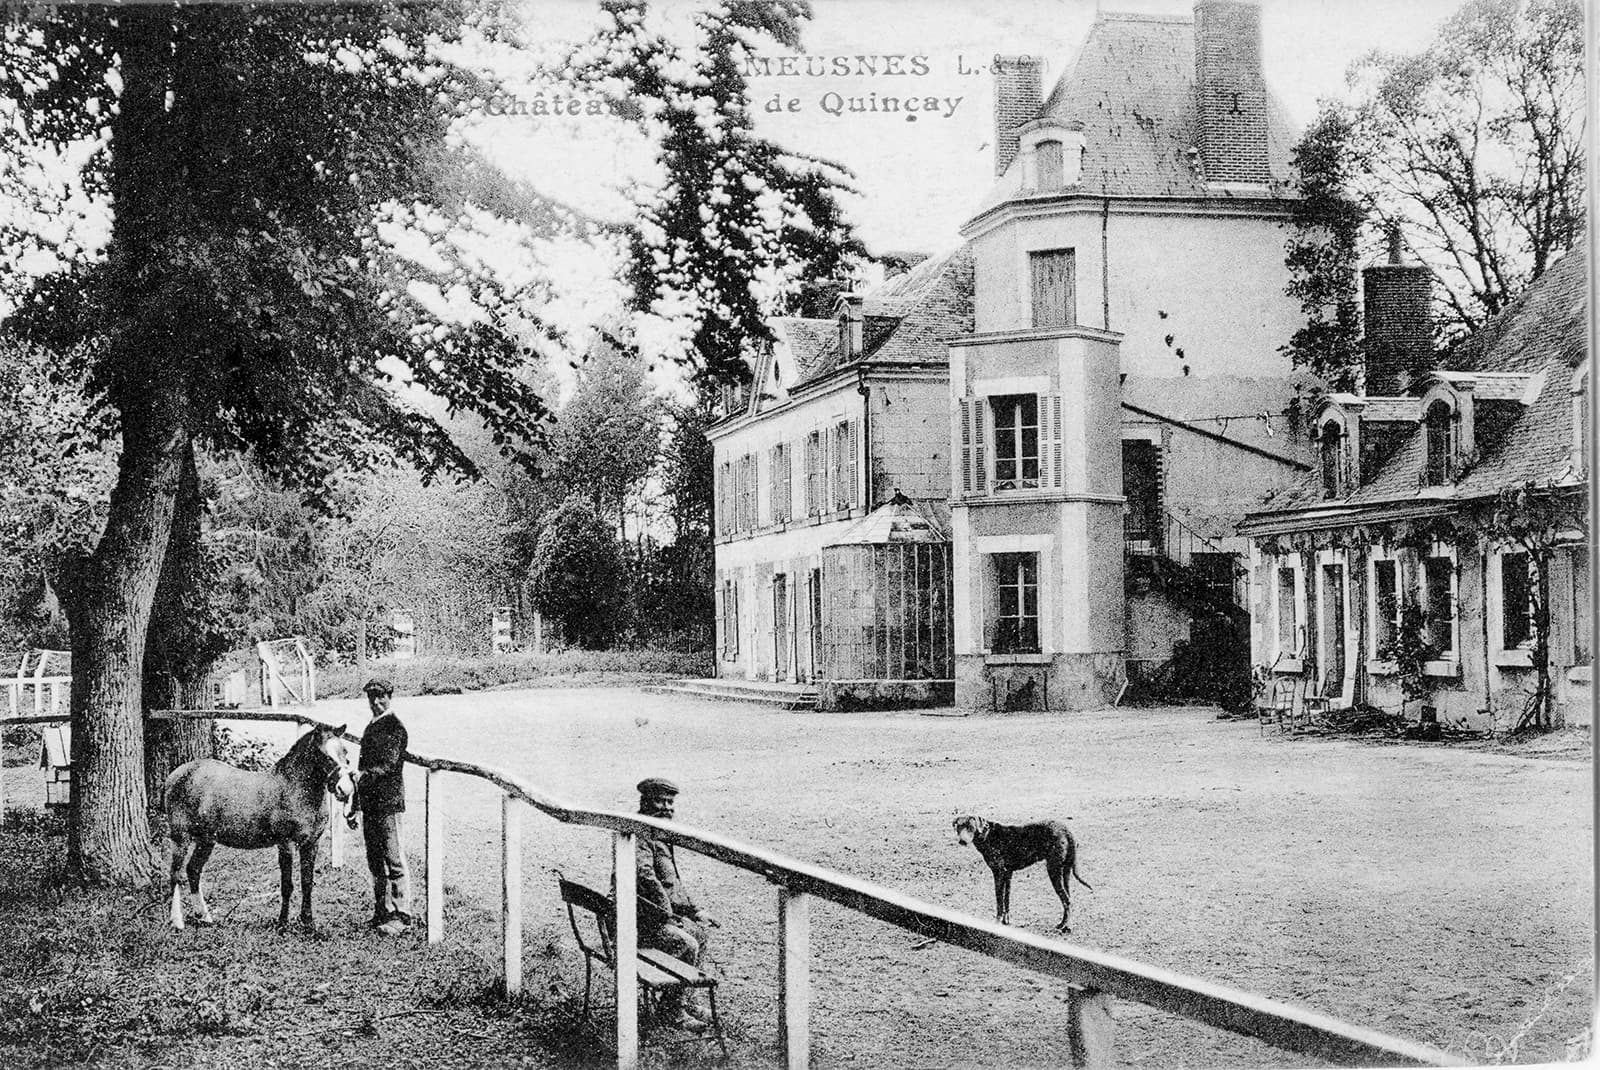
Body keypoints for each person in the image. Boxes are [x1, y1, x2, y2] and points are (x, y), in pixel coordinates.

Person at [633, 777, 718, 1031]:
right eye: (660, 800)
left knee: (699, 933)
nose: (667, 808)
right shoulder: (639, 833)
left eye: (670, 802)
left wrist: (694, 911)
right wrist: (668, 915)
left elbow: (672, 883)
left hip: (652, 915)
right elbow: (645, 877)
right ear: (645, 801)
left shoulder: (657, 833)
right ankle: (671, 1012)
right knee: (685, 942)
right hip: (639, 920)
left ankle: (684, 1000)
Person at [353, 677, 411, 936]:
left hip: (387, 803)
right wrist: (356, 802)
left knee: (394, 859)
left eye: (381, 697)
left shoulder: (395, 727)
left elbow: (386, 765)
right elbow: (364, 767)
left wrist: (361, 778)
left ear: (390, 696)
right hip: (371, 804)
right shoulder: (371, 727)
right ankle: (381, 911)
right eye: (371, 698)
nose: (376, 703)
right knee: (375, 860)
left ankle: (401, 914)